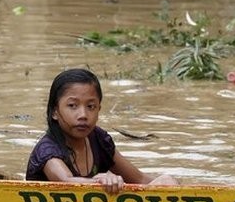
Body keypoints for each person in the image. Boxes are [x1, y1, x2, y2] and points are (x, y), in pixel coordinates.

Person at [26, 68, 178, 194]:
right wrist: (100, 181)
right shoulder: (48, 150)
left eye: (90, 106)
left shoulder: (99, 140)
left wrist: (172, 184)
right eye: (72, 106)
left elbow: (140, 180)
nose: (83, 115)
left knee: (166, 181)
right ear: (54, 112)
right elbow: (67, 182)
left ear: (99, 109)